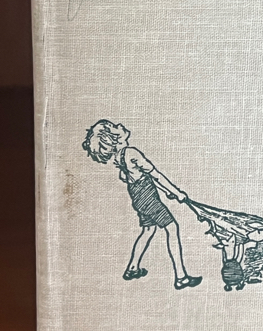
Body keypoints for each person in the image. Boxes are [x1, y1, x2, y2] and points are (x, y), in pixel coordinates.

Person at [82, 120, 202, 290]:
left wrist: (165, 191)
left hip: (139, 201)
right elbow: (156, 175)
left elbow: (141, 177)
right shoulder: (131, 153)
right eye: (115, 127)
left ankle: (132, 268)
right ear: (112, 137)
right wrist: (177, 192)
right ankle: (181, 277)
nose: (120, 125)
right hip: (149, 200)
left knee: (148, 230)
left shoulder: (119, 158)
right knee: (172, 228)